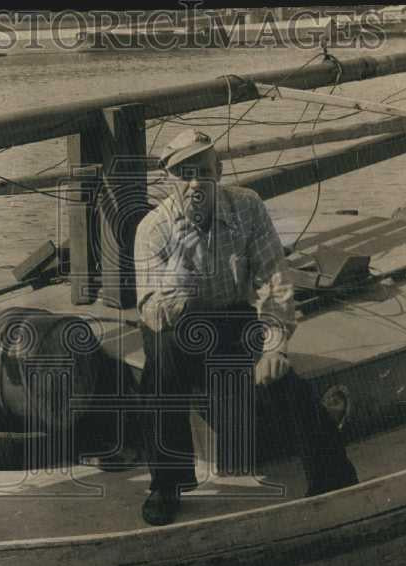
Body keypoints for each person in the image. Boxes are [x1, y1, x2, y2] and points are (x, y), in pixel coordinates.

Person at [133, 129, 358, 526]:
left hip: (232, 316)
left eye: (203, 171)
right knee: (160, 362)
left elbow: (274, 281)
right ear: (170, 179)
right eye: (184, 174)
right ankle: (167, 483)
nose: (194, 183)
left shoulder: (247, 207)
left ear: (219, 171)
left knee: (286, 381)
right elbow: (152, 311)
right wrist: (183, 268)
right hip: (178, 324)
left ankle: (332, 478)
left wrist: (274, 346)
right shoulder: (153, 228)